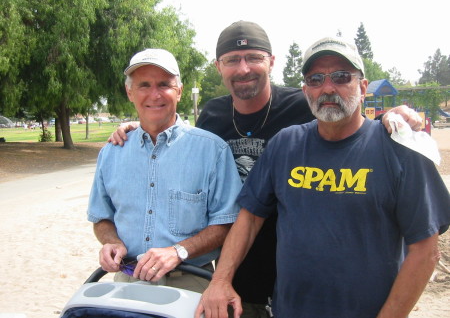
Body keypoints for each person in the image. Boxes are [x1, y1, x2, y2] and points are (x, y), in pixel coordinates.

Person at [109, 21, 424, 318]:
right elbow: (186, 144)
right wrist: (145, 125)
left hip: (307, 278)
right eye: (232, 59)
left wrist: (393, 118)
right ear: (218, 66)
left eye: (253, 57)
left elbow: (348, 123)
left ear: (271, 62)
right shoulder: (214, 114)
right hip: (239, 274)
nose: (243, 68)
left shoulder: (303, 105)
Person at [195, 36, 450, 318]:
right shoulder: (285, 145)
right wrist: (220, 280)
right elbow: (250, 217)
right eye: (316, 79)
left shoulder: (400, 149)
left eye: (341, 77)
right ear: (306, 90)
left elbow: (425, 253)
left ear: (362, 87)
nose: (327, 88)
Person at [87, 48, 242, 293]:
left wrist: (178, 251)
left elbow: (227, 222)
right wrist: (111, 242)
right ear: (129, 92)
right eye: (144, 85)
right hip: (128, 279)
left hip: (191, 281)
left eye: (164, 85)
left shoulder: (212, 150)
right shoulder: (112, 152)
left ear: (179, 91)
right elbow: (101, 217)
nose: (154, 94)